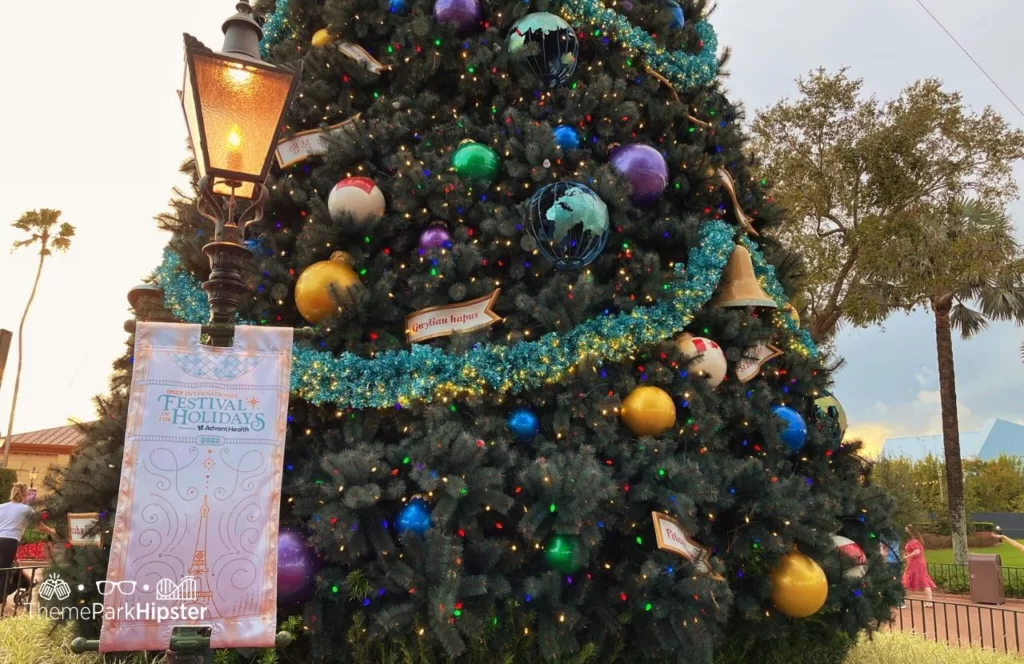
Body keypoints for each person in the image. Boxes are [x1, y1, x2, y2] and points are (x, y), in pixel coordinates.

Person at [0, 482, 55, 600]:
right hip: (10, 541)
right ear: (25, 495)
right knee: (4, 570)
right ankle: (1, 598)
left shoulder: (1, 506)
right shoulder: (27, 510)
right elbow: (39, 526)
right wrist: (53, 532)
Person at [902, 524, 936, 606]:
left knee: (907, 578)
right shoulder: (917, 540)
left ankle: (901, 600)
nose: (905, 531)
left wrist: (907, 556)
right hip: (918, 562)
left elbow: (917, 552)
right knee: (924, 581)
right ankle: (929, 601)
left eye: (906, 530)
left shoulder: (914, 541)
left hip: (916, 563)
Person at [879, 533, 905, 608]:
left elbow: (884, 550)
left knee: (890, 581)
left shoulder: (884, 536)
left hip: (889, 561)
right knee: (896, 581)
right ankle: (899, 600)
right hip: (896, 561)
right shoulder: (896, 535)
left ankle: (897, 601)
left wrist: (882, 557)